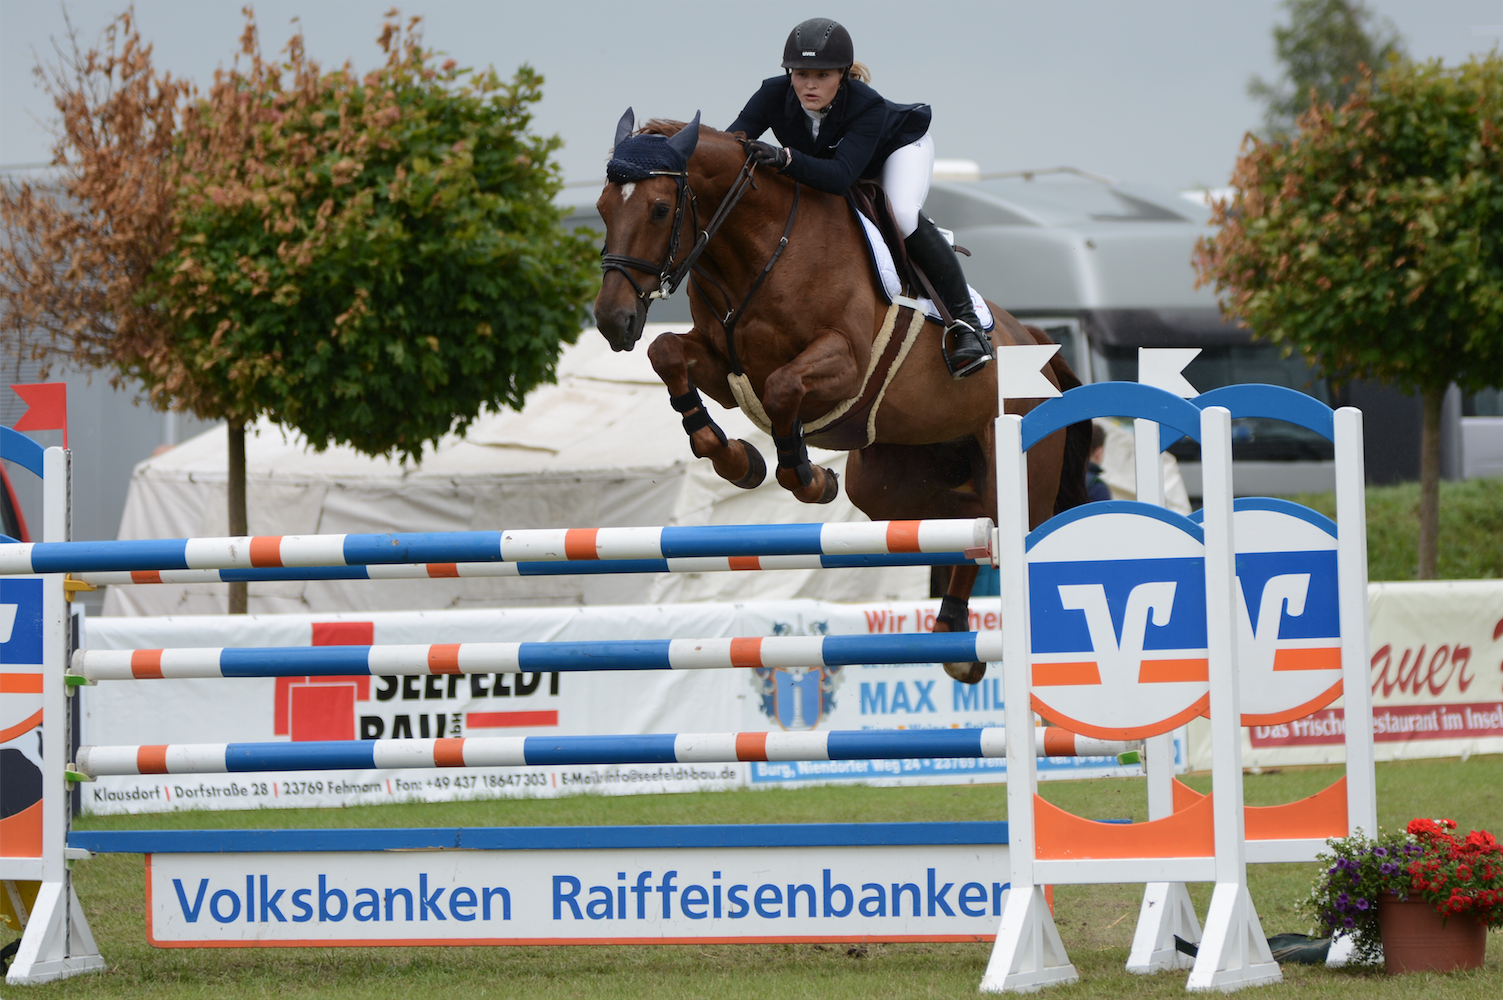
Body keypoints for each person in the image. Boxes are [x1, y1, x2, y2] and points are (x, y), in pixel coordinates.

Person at [726, 17, 994, 378]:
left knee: (901, 214)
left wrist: (785, 159)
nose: (809, 85)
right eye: (801, 74)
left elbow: (839, 178)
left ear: (841, 73)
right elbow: (732, 144)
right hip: (839, 162)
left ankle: (967, 324)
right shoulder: (771, 93)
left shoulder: (866, 105)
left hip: (897, 150)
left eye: (822, 76)